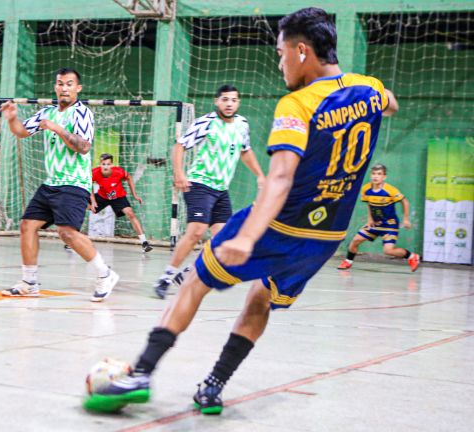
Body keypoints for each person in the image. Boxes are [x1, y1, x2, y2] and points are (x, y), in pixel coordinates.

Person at [84, 7, 399, 415]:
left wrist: (248, 237)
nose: (280, 61)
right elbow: (389, 104)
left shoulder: (298, 104)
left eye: (281, 52)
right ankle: (212, 388)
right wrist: (371, 105)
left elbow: (281, 178)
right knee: (259, 299)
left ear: (302, 51)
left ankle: (141, 373)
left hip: (281, 226)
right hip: (325, 239)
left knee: (195, 281)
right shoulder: (369, 88)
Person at [0, 67, 119, 302]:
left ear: (78, 88)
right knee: (27, 226)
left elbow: (83, 146)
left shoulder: (82, 113)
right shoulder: (47, 111)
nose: (64, 88)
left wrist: (57, 128)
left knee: (67, 233)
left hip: (74, 183)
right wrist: (13, 119)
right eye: (60, 83)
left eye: (69, 84)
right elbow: (22, 132)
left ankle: (105, 274)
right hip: (51, 182)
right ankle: (29, 282)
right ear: (55, 86)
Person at [154, 84, 265, 299]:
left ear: (238, 103)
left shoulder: (242, 125)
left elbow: (245, 151)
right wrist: (179, 173)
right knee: (196, 231)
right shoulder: (206, 123)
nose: (229, 103)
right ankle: (165, 278)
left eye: (233, 100)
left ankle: (187, 274)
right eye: (225, 99)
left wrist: (261, 175)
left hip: (221, 190)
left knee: (222, 241)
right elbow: (179, 146)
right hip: (199, 184)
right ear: (217, 102)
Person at [338, 163, 419, 271]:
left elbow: (405, 202)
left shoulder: (390, 190)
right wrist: (370, 218)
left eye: (379, 174)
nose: (375, 176)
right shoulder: (366, 189)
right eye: (374, 174)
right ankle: (348, 261)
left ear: (384, 177)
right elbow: (369, 204)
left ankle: (412, 257)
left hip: (389, 225)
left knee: (388, 251)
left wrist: (406, 219)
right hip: (375, 224)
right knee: (356, 240)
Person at [90, 153, 153, 252]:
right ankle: (72, 238)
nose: (105, 166)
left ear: (112, 165)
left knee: (130, 214)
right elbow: (89, 184)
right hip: (102, 196)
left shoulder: (119, 172)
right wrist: (93, 201)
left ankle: (144, 243)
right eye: (103, 164)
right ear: (100, 164)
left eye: (108, 164)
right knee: (80, 205)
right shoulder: (94, 172)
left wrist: (135, 195)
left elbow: (129, 178)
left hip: (118, 197)